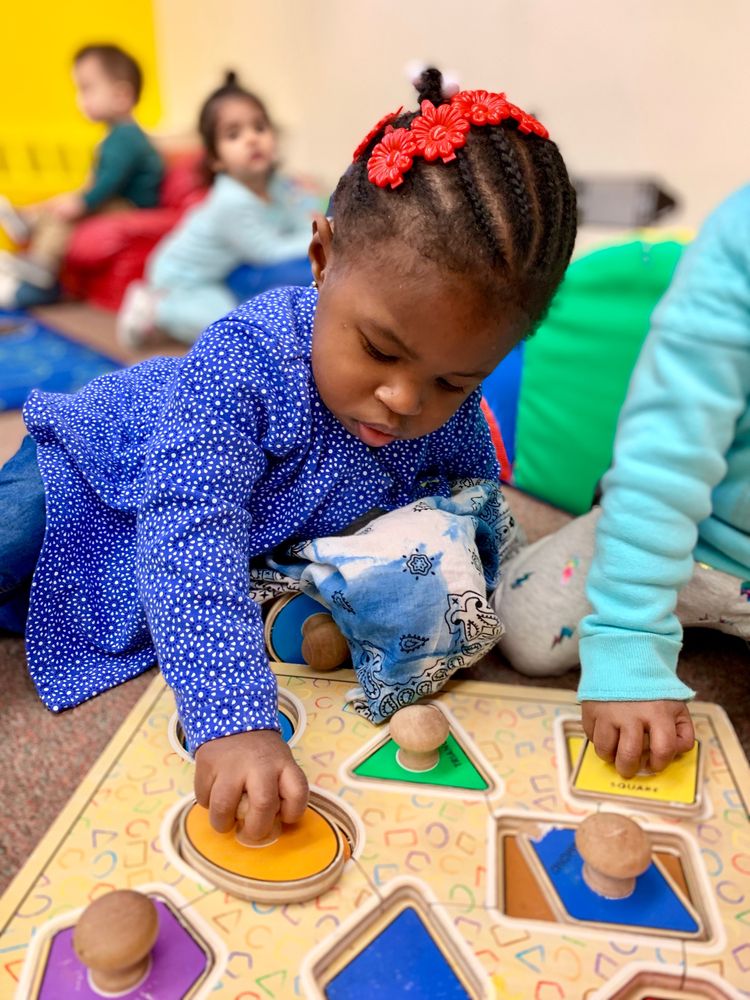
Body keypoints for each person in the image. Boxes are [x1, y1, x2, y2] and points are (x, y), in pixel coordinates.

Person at [0, 69, 577, 842]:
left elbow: (473, 518)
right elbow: (191, 527)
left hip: (220, 544)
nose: (405, 401)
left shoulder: (454, 417)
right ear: (321, 255)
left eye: (454, 379)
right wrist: (233, 717)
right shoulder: (246, 355)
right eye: (378, 349)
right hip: (98, 470)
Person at [493, 185, 750, 778]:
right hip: (688, 538)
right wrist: (629, 637)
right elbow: (664, 456)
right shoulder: (737, 235)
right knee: (523, 632)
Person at [117, 72, 317, 348]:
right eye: (234, 135)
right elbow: (267, 252)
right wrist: (320, 234)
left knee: (227, 308)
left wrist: (320, 224)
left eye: (259, 128)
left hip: (217, 273)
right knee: (224, 321)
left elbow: (298, 221)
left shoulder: (276, 184)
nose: (251, 139)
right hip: (181, 278)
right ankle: (155, 308)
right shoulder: (230, 201)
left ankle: (171, 316)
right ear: (216, 159)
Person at [0, 44, 163, 309]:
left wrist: (83, 202)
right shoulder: (115, 136)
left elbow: (110, 182)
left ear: (122, 95)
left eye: (87, 88)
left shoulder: (125, 137)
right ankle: (27, 219)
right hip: (116, 200)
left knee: (64, 213)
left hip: (131, 207)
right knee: (63, 203)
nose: (80, 99)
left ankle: (42, 265)